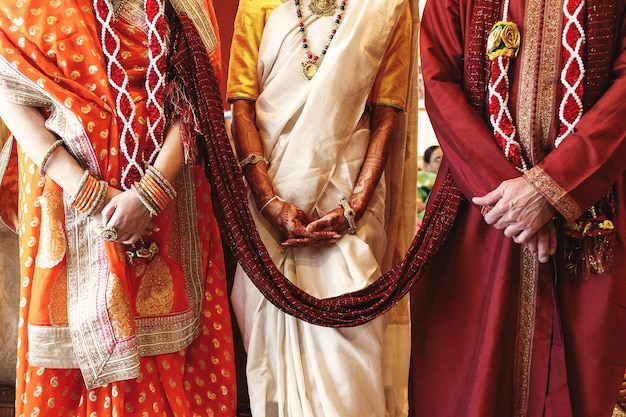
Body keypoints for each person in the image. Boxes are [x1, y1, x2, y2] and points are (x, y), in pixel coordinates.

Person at [0, 0, 238, 415]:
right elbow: (9, 89)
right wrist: (88, 193)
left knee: (169, 367)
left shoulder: (185, 4)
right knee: (70, 372)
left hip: (168, 201)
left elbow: (198, 96)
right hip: (66, 201)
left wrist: (151, 193)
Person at [410, 0, 626, 416]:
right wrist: (510, 200)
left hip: (590, 212)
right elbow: (439, 81)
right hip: (480, 213)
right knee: (467, 381)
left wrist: (553, 188)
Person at [226, 0, 417, 415]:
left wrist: (354, 208)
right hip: (269, 196)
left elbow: (387, 115)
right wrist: (269, 201)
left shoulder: (385, 7)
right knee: (269, 344)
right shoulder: (258, 3)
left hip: (350, 194)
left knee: (352, 337)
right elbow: (241, 105)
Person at [416, 144, 442, 224]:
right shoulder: (425, 176)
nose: (443, 163)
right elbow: (414, 205)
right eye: (438, 159)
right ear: (427, 166)